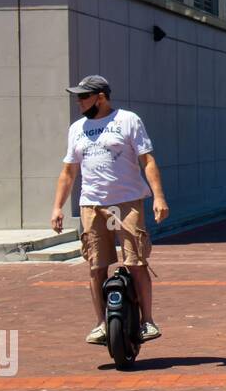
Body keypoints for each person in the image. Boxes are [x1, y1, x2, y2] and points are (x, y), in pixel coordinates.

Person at [50, 75, 169, 345]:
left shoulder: (127, 120)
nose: (79, 102)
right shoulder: (77, 128)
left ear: (101, 97)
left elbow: (147, 161)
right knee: (96, 266)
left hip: (127, 202)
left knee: (135, 263)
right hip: (92, 204)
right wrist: (57, 206)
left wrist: (158, 197)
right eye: (78, 97)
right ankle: (102, 324)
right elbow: (68, 172)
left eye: (83, 96)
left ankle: (148, 321)